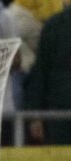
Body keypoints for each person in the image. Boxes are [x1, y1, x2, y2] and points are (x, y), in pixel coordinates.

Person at [23, 4, 71, 145]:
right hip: (58, 118)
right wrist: (34, 115)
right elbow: (40, 72)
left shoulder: (54, 24)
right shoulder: (54, 26)